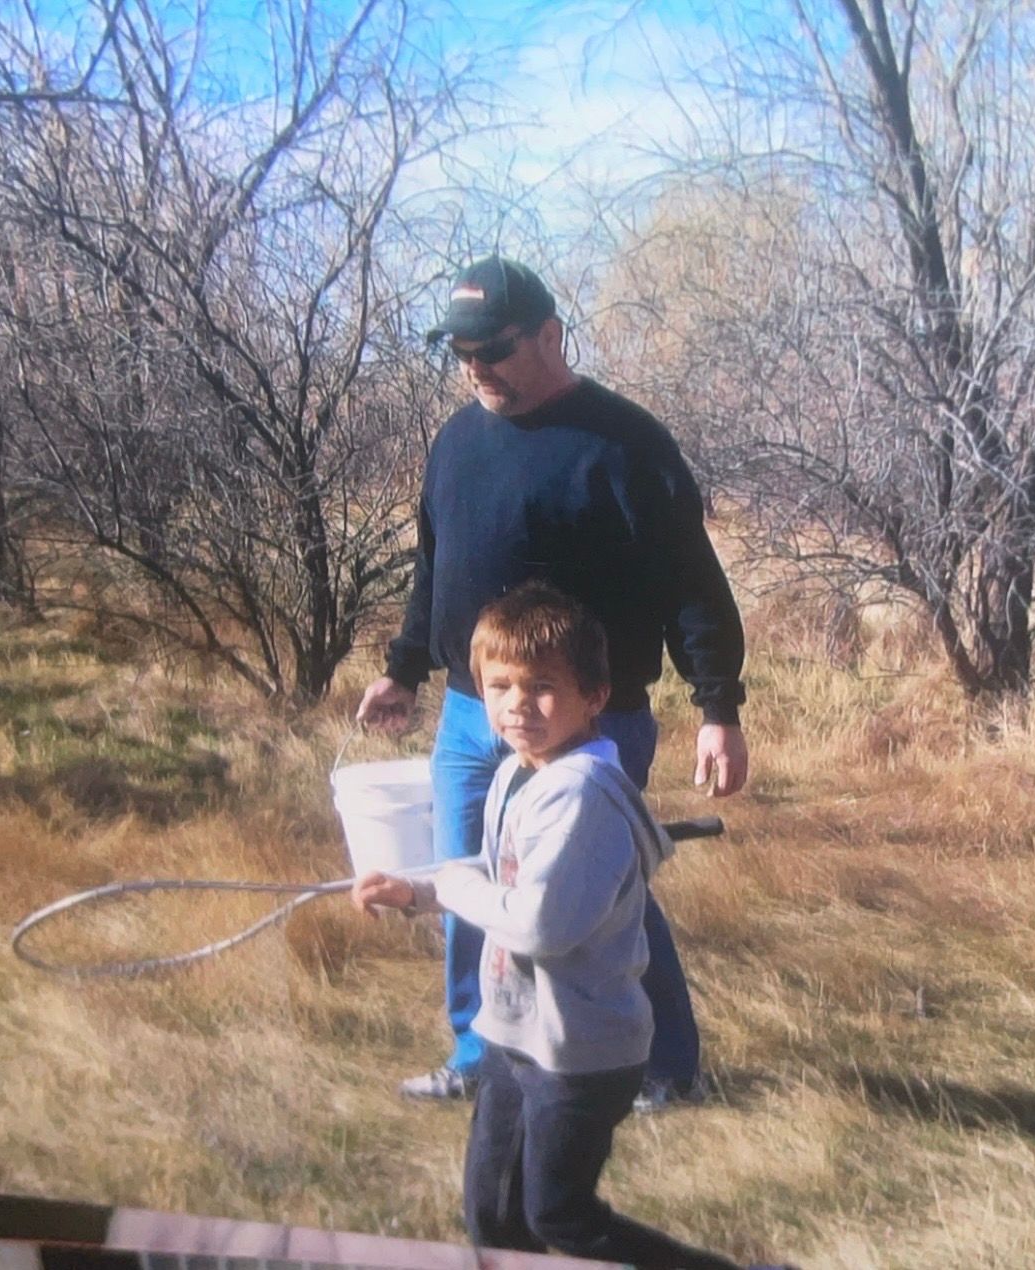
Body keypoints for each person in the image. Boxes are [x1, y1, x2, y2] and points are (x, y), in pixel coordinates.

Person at [357, 254, 747, 1110]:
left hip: (589, 722)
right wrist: (405, 668)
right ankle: (482, 1055)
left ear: (549, 336)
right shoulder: (457, 441)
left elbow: (692, 583)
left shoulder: (626, 445)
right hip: (472, 712)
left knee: (601, 894)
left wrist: (718, 705)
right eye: (461, 353)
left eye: (494, 349)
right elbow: (436, 569)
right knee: (465, 880)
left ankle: (664, 1065)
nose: (477, 368)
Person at [351, 585, 754, 1269]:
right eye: (499, 686)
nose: (517, 704)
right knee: (493, 1211)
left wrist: (453, 886)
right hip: (514, 1032)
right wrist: (419, 890)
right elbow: (497, 872)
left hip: (580, 1052)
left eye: (542, 687)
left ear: (595, 696)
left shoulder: (581, 797)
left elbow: (540, 924)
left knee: (560, 1214)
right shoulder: (519, 772)